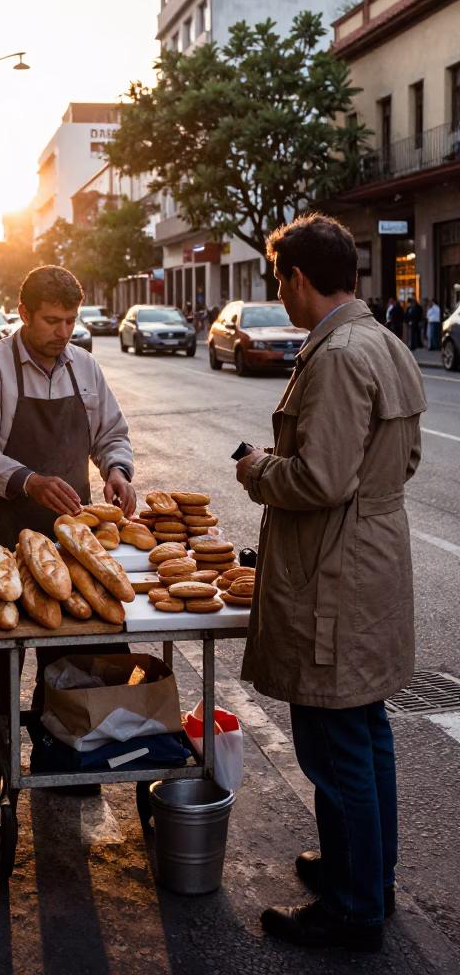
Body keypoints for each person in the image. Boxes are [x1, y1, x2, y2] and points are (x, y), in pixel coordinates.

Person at [235, 213, 426, 954]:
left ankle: (354, 908)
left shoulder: (340, 354)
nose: (280, 296)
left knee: (334, 739)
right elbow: (398, 463)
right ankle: (366, 875)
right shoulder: (381, 339)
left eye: (279, 282)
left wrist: (257, 469)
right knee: (364, 730)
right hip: (370, 555)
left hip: (337, 571)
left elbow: (318, 477)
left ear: (297, 280)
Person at [0, 265, 137, 811]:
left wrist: (117, 469)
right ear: (23, 313)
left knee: (79, 648)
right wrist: (27, 480)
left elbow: (112, 432)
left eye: (70, 321)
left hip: (69, 537)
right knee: (0, 656)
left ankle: (65, 750)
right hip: (5, 532)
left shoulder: (84, 367)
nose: (62, 332)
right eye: (51, 321)